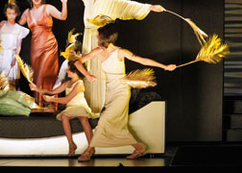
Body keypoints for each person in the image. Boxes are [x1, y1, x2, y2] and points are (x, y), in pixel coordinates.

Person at [79, 0, 165, 113]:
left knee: (100, 73)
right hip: (88, 37)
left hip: (100, 39)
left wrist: (149, 7)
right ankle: (88, 107)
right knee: (87, 71)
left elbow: (129, 5)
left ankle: (100, 108)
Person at [75, 23, 176, 162]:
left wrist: (164, 66)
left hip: (121, 92)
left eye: (98, 35)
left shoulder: (120, 52)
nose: (96, 37)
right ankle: (139, 148)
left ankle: (89, 150)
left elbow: (142, 60)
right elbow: (77, 62)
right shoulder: (97, 51)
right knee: (117, 126)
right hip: (109, 92)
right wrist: (87, 75)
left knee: (104, 120)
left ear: (104, 37)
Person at [30, 62, 97, 156]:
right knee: (64, 116)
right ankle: (71, 144)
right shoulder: (67, 83)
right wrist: (36, 89)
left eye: (69, 69)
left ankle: (91, 147)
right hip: (71, 107)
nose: (67, 71)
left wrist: (51, 99)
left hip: (80, 106)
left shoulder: (79, 84)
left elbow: (67, 99)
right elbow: (51, 92)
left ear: (75, 71)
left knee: (83, 117)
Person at [18, 0, 70, 104]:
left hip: (49, 46)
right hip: (35, 48)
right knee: (37, 75)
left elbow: (63, 16)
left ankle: (49, 102)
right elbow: (17, 26)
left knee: (46, 74)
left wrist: (64, 3)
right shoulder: (27, 13)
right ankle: (39, 103)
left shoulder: (48, 8)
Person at [0, 0, 29, 89]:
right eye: (9, 14)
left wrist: (15, 57)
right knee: (2, 79)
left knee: (14, 79)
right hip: (3, 55)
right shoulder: (2, 26)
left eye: (13, 14)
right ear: (6, 13)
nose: (11, 16)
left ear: (17, 14)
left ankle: (15, 96)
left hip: (13, 55)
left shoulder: (18, 29)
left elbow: (18, 45)